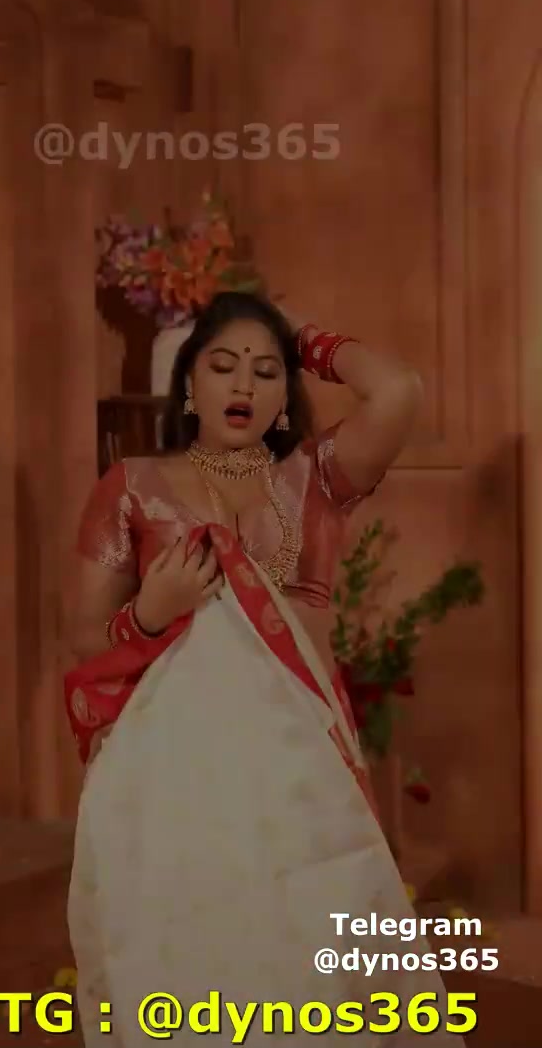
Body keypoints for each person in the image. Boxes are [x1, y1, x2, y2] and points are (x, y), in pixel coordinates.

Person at [65, 291, 465, 1047]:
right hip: (173, 770)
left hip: (298, 768)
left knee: (309, 956)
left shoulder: (316, 478)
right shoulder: (133, 486)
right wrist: (151, 613)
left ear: (287, 394)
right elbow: (85, 640)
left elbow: (397, 390)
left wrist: (301, 335)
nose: (243, 384)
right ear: (189, 383)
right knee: (196, 951)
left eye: (266, 370)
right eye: (222, 366)